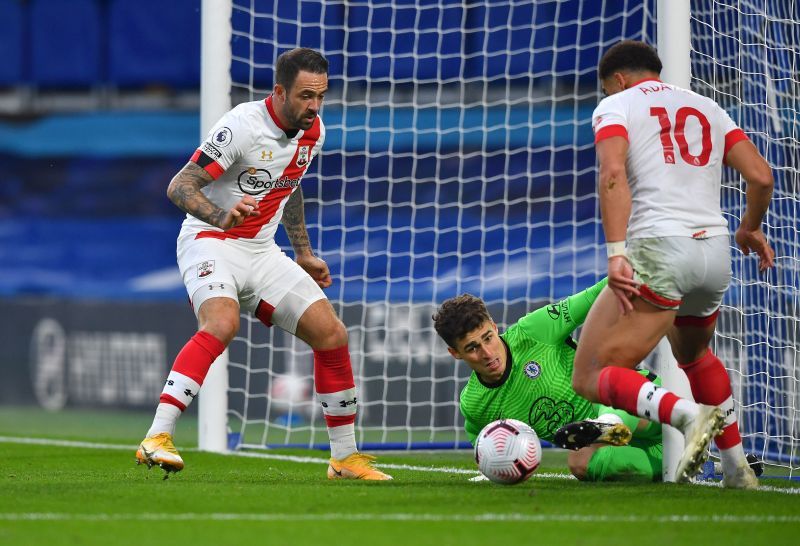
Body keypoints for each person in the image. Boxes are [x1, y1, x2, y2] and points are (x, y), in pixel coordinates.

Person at [135, 48, 391, 481]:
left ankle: (345, 459)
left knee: (332, 334)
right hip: (210, 240)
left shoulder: (313, 132)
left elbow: (288, 186)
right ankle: (156, 436)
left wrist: (303, 252)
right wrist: (220, 215)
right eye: (306, 95)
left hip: (261, 250)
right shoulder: (242, 126)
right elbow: (180, 186)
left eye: (321, 96)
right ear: (279, 91)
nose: (314, 106)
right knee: (221, 324)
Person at [570, 40, 774, 488]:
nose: (607, 95)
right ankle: (737, 469)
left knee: (588, 375)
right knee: (695, 355)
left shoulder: (617, 106)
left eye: (607, 89)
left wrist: (617, 253)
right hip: (715, 252)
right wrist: (750, 228)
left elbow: (612, 174)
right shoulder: (708, 107)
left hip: (660, 248)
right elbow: (761, 176)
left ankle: (686, 417)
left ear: (618, 80)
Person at [433, 279, 666, 482]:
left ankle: (607, 422)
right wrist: (494, 467)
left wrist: (639, 272)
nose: (487, 353)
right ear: (455, 353)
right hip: (617, 444)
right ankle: (669, 467)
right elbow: (482, 443)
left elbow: (596, 294)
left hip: (644, 407)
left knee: (608, 389)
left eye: (488, 338)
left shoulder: (533, 330)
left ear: (495, 327)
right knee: (579, 464)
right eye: (473, 347)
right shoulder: (475, 403)